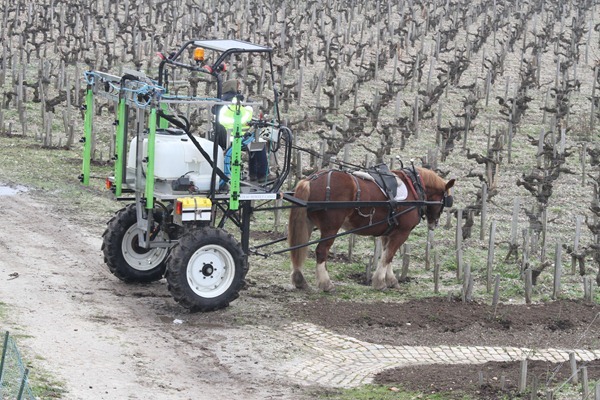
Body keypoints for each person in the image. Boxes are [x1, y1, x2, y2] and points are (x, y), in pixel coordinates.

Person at [216, 79, 270, 183]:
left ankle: (253, 174)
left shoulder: (221, 101)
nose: (240, 89)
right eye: (238, 86)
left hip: (225, 136)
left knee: (252, 142)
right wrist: (249, 107)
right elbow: (245, 116)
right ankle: (262, 174)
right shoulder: (234, 102)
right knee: (258, 145)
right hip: (236, 137)